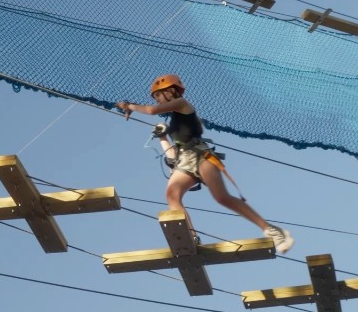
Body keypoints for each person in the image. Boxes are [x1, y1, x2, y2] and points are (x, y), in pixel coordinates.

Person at [116, 74, 294, 253]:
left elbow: (152, 111)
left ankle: (273, 230)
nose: (158, 101)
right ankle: (190, 237)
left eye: (158, 96)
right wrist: (163, 137)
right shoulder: (175, 122)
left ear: (171, 91)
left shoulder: (182, 104)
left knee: (222, 197)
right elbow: (174, 155)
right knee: (172, 194)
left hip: (200, 156)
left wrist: (129, 106)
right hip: (185, 158)